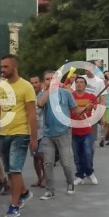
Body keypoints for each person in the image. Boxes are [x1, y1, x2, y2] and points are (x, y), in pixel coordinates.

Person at [0, 54, 37, 217]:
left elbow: (31, 115)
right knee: (9, 171)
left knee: (15, 169)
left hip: (20, 134)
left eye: (5, 67)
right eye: (1, 67)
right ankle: (24, 192)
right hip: (4, 133)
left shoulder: (26, 87)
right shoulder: (1, 87)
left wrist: (34, 138)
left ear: (14, 67)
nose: (2, 70)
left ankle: (14, 205)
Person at [37, 70, 82, 200]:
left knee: (66, 163)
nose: (50, 81)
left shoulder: (66, 93)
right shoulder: (42, 94)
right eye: (47, 79)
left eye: (53, 78)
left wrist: (87, 108)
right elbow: (40, 104)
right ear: (44, 82)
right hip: (47, 134)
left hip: (64, 132)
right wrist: (49, 90)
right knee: (48, 163)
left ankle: (70, 183)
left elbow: (76, 110)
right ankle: (50, 190)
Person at [70, 76, 98, 186]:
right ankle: (80, 175)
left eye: (82, 82)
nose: (79, 84)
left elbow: (97, 110)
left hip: (87, 130)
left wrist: (93, 107)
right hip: (74, 130)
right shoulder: (71, 96)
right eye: (77, 82)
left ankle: (90, 172)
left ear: (85, 85)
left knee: (87, 153)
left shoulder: (91, 97)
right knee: (77, 155)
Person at [29, 74, 46, 187]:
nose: (34, 85)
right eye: (32, 83)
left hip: (43, 129)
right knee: (35, 156)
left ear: (40, 83)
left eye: (36, 82)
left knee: (42, 156)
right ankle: (39, 178)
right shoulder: (29, 95)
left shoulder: (43, 94)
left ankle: (45, 177)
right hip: (31, 130)